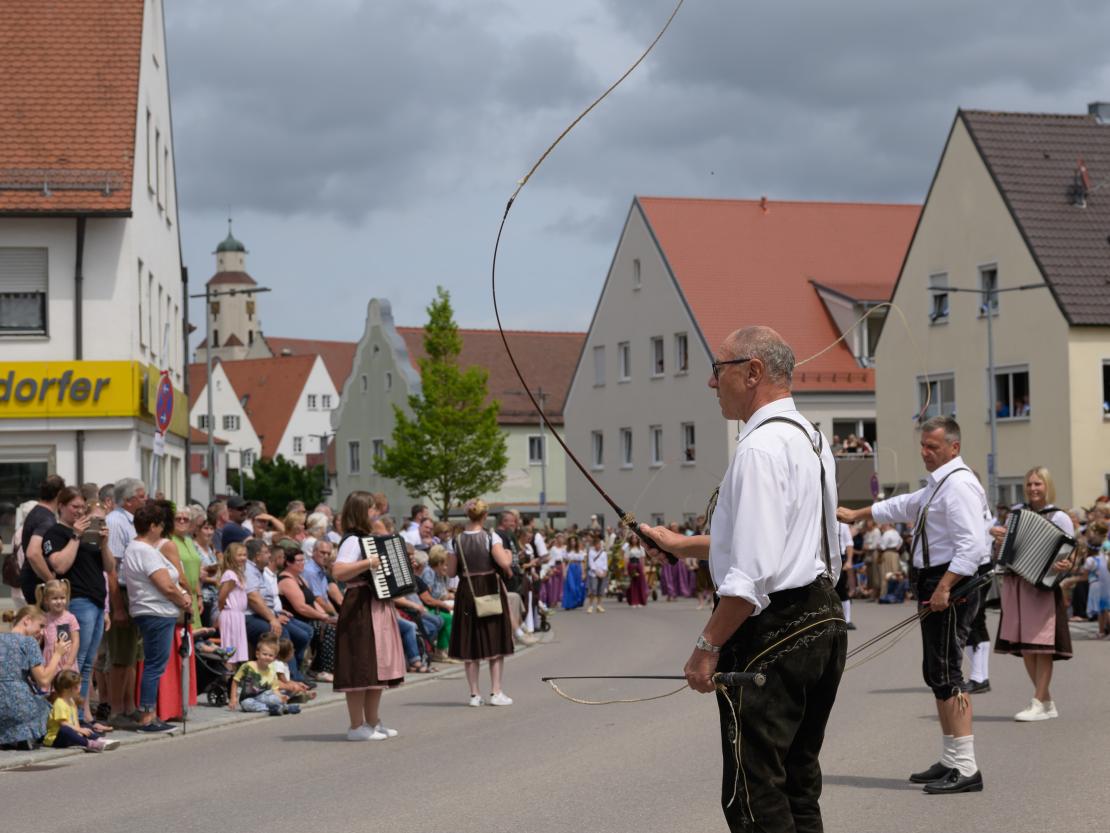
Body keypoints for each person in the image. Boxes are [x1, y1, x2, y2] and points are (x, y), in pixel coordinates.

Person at [639, 325, 845, 833]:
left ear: (752, 372)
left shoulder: (758, 450)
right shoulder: (811, 439)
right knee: (798, 783)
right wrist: (681, 545)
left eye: (718, 369)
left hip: (774, 631)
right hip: (820, 618)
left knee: (753, 796)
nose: (712, 383)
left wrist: (707, 645)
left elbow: (751, 575)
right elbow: (786, 541)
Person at [839, 415, 991, 794]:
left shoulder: (958, 486)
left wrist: (944, 587)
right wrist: (859, 513)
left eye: (933, 447)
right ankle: (952, 758)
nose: (925, 452)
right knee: (937, 672)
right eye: (923, 446)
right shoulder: (939, 485)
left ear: (954, 447)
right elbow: (906, 506)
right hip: (937, 580)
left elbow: (972, 547)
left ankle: (967, 766)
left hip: (950, 582)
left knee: (949, 673)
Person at [991, 467, 1075, 720]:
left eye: (1038, 484)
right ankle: (1045, 702)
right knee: (1026, 646)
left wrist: (1064, 564)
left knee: (1042, 646)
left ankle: (1038, 701)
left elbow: (1069, 555)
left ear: (1047, 486)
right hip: (1017, 583)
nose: (1033, 488)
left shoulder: (1059, 517)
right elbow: (1004, 555)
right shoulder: (1016, 515)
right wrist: (998, 543)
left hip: (1043, 587)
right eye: (1029, 484)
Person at [333, 491, 404, 741]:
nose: (377, 513)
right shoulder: (352, 541)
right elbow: (339, 571)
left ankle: (373, 722)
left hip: (374, 603)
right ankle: (356, 725)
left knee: (376, 667)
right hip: (360, 606)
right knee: (361, 665)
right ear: (362, 511)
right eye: (372, 509)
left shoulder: (367, 539)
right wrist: (368, 563)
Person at [40, 486, 114, 726]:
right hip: (78, 601)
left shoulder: (89, 533)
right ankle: (76, 715)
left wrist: (104, 543)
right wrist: (75, 536)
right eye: (75, 507)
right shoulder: (56, 533)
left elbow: (109, 567)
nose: (80, 512)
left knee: (89, 661)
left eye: (83, 507)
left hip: (96, 601)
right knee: (75, 660)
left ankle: (84, 713)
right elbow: (59, 566)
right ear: (61, 506)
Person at [122, 501, 191, 733]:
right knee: (154, 665)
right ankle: (147, 717)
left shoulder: (136, 548)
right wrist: (184, 600)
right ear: (153, 526)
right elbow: (166, 586)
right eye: (160, 525)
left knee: (153, 664)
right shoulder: (145, 551)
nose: (163, 529)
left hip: (151, 610)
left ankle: (149, 714)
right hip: (156, 612)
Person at [447, 498, 515, 707]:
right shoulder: (490, 536)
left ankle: (474, 694)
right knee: (494, 638)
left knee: (470, 640)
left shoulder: (456, 540)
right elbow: (503, 563)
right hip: (488, 588)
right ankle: (496, 691)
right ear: (485, 516)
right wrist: (509, 555)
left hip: (467, 590)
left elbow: (450, 571)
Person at [0, 606, 73, 750]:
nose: (42, 632)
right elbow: (44, 680)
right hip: (19, 707)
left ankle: (7, 737)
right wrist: (57, 654)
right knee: (46, 706)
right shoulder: (29, 643)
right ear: (27, 620)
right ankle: (24, 735)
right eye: (40, 626)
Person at [106, 477, 146, 723]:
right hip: (120, 592)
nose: (145, 500)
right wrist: (118, 607)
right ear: (129, 500)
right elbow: (111, 568)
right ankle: (116, 709)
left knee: (133, 655)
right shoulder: (116, 522)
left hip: (133, 592)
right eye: (142, 496)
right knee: (121, 655)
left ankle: (130, 707)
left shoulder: (131, 522)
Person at [278, 546, 338, 680]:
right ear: (288, 563)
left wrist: (326, 616)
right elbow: (301, 607)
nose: (302, 563)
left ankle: (322, 667)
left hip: (310, 616)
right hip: (299, 618)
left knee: (333, 624)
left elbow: (313, 601)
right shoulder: (287, 580)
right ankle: (321, 669)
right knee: (327, 629)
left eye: (303, 560)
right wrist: (322, 617)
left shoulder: (300, 579)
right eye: (298, 561)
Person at [17, 474, 66, 605]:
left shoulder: (36, 512)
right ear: (60, 493)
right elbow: (33, 553)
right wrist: (51, 581)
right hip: (38, 582)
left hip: (31, 578)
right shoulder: (46, 519)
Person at [44, 669, 119, 752]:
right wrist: (79, 730)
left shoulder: (71, 701)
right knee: (65, 729)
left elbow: (76, 722)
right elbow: (63, 723)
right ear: (67, 688)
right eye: (77, 686)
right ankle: (89, 744)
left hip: (70, 736)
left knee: (85, 726)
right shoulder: (59, 703)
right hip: (55, 739)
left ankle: (99, 740)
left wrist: (80, 730)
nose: (80, 688)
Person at [228, 633, 295, 715]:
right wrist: (233, 698)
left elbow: (274, 689)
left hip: (264, 696)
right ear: (257, 654)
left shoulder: (272, 669)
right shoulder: (248, 666)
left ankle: (285, 707)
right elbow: (235, 681)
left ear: (274, 658)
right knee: (246, 704)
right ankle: (271, 709)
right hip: (249, 697)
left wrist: (281, 697)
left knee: (276, 699)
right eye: (264, 654)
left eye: (271, 655)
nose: (267, 657)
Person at [217, 542, 251, 663]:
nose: (243, 558)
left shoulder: (238, 574)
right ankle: (226, 676)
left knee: (237, 647)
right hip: (231, 614)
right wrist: (222, 609)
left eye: (245, 555)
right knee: (230, 647)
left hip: (238, 615)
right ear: (231, 557)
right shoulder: (230, 575)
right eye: (239, 555)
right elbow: (222, 597)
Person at [38, 579, 80, 674]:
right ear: (46, 600)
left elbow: (76, 642)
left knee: (67, 687)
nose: (59, 601)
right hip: (50, 660)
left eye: (62, 598)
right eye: (55, 598)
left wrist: (69, 663)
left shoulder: (70, 618)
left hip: (67, 659)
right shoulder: (44, 618)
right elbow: (40, 641)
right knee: (51, 687)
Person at [561, 534, 586, 610]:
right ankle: (568, 604)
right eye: (571, 541)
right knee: (570, 586)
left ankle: (575, 602)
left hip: (577, 568)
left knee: (577, 586)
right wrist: (564, 571)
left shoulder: (580, 551)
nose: (573, 543)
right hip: (570, 568)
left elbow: (583, 562)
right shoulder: (566, 551)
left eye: (574, 541)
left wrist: (583, 572)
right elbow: (564, 562)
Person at [585, 531, 609, 614]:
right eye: (597, 544)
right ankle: (590, 606)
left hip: (602, 573)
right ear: (594, 545)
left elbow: (605, 563)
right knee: (593, 590)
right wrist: (597, 572)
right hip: (594, 574)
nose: (598, 546)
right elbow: (591, 564)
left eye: (599, 544)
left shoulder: (604, 553)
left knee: (600, 590)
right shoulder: (591, 552)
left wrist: (605, 572)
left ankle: (599, 605)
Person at [624, 534, 648, 607]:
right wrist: (625, 570)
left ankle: (640, 601)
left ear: (638, 540)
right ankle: (634, 601)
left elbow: (642, 558)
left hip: (638, 566)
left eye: (635, 538)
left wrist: (643, 568)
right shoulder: (628, 548)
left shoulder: (641, 548)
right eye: (633, 538)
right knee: (633, 584)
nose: (634, 540)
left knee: (640, 583)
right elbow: (626, 559)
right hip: (631, 565)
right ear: (630, 540)